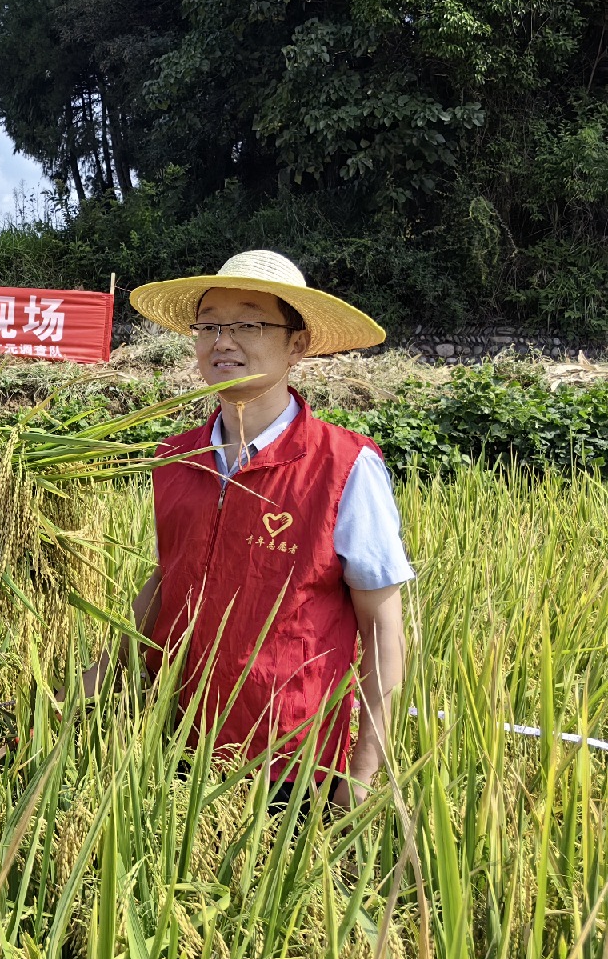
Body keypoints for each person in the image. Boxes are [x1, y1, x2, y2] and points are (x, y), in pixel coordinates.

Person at [91, 250, 412, 808]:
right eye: (209, 325)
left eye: (247, 324)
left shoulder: (343, 466)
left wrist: (359, 779)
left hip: (291, 762)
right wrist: (97, 678)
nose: (223, 341)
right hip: (177, 745)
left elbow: (383, 629)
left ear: (296, 344)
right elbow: (172, 579)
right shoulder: (176, 459)